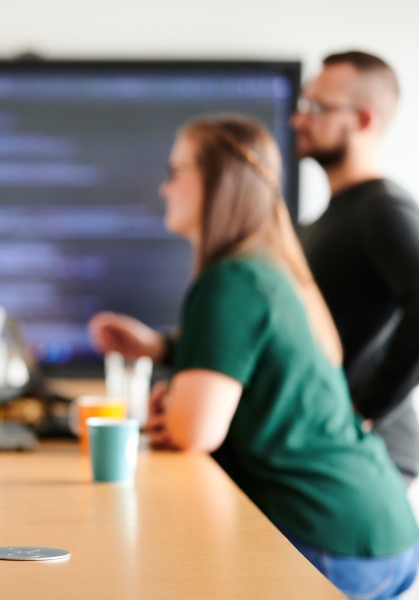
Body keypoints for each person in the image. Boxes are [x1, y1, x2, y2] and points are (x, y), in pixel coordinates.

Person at [89, 114, 419, 598]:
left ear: (217, 182)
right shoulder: (270, 269)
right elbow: (249, 358)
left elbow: (194, 429)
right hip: (382, 524)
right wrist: (163, 354)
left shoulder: (229, 281)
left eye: (176, 171)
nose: (165, 188)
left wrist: (174, 409)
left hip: (330, 537)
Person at [292, 50, 419, 484]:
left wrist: (364, 411)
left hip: (368, 457)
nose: (298, 119)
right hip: (329, 448)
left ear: (365, 120)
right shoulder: (321, 221)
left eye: (316, 107)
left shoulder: (382, 209)